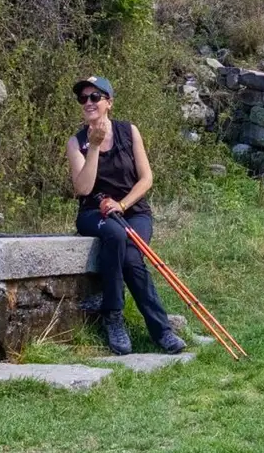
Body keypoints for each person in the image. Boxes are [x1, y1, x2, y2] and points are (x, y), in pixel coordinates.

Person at [66, 75, 186, 355]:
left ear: (109, 102)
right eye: (83, 98)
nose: (88, 102)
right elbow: (82, 188)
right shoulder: (77, 142)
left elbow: (146, 179)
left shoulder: (129, 131)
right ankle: (120, 318)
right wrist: (94, 146)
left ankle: (156, 330)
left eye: (95, 97)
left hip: (133, 211)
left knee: (132, 256)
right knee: (115, 235)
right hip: (93, 213)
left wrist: (122, 204)